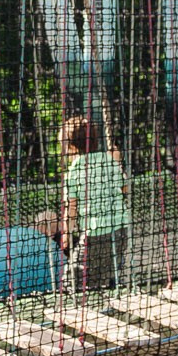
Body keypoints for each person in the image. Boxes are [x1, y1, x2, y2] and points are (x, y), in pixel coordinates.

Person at [58, 116, 128, 290]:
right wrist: (118, 164)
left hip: (95, 232)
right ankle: (113, 285)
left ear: (71, 147)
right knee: (111, 266)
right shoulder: (109, 160)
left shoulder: (74, 171)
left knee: (71, 278)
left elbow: (71, 208)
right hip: (121, 228)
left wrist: (66, 234)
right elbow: (124, 189)